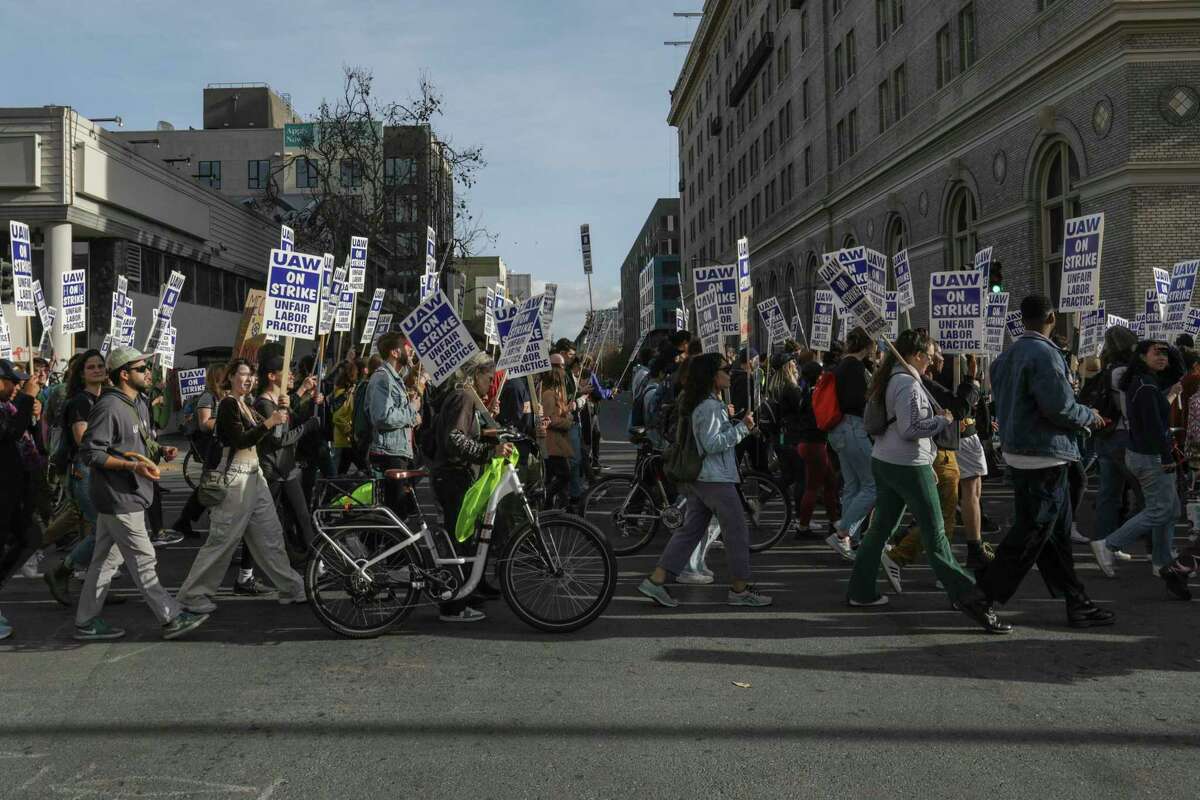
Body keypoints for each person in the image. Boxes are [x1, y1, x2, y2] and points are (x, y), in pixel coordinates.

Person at [844, 330, 1007, 632]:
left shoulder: (890, 376)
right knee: (936, 536)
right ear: (916, 355)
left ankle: (860, 591)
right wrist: (943, 420)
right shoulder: (907, 383)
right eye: (929, 356)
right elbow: (911, 428)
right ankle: (970, 598)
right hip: (907, 464)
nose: (932, 362)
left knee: (880, 530)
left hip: (887, 461)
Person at [977, 295, 1114, 628]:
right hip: (1044, 455)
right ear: (1051, 317)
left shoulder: (1006, 356)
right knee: (1030, 535)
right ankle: (981, 597)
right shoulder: (1044, 354)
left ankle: (1076, 600)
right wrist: (1089, 415)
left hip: (1021, 452)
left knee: (1054, 535)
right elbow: (1059, 407)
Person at [72, 347, 208, 642]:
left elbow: (141, 440)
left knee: (105, 562)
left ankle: (86, 621)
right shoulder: (109, 406)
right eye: (142, 369)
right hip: (119, 496)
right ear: (124, 374)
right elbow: (91, 452)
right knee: (144, 558)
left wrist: (160, 450)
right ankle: (170, 616)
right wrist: (131, 466)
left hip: (127, 495)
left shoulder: (138, 402)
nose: (149, 373)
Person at [637, 353, 772, 608]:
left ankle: (656, 580)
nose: (729, 373)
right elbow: (711, 444)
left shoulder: (704, 402)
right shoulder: (709, 406)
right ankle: (740, 589)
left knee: (690, 532)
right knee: (737, 532)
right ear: (712, 375)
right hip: (715, 478)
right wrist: (742, 427)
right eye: (725, 368)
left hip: (702, 478)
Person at [175, 358, 305, 613]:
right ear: (231, 377)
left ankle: (291, 587)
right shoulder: (227, 405)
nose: (248, 380)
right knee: (223, 538)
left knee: (270, 534)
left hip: (255, 476)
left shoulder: (246, 405)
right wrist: (269, 423)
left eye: (251, 376)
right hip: (236, 478)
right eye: (243, 375)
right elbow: (241, 439)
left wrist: (288, 407)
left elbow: (271, 439)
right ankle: (193, 594)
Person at [430, 353, 515, 623]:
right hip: (452, 477)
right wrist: (488, 453)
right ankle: (453, 606)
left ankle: (464, 592)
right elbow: (455, 439)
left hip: (455, 475)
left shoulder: (466, 398)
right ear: (476, 374)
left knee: (464, 538)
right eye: (489, 376)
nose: (492, 382)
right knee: (460, 541)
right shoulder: (463, 397)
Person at [1091, 339, 1185, 577]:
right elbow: (1153, 427)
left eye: (1165, 354)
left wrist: (1167, 346)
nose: (1163, 357)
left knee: (1170, 508)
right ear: (1142, 357)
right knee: (1159, 509)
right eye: (1157, 353)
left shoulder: (1147, 381)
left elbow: (1178, 371)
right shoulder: (1144, 385)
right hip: (1149, 456)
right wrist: (1166, 456)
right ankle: (1108, 544)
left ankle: (1161, 560)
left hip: (1145, 453)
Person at [42, 351, 111, 605]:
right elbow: (84, 439)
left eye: (100, 366)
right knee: (103, 529)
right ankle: (62, 570)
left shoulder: (104, 397)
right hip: (85, 471)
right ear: (81, 374)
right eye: (90, 367)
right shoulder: (81, 401)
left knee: (101, 529)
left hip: (101, 469)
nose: (96, 370)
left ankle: (98, 585)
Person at [254, 355, 323, 568]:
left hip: (288, 468)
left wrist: (311, 401)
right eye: (286, 370)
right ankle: (247, 572)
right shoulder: (263, 405)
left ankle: (315, 563)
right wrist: (308, 427)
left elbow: (294, 421)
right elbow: (280, 439)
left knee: (303, 516)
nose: (292, 374)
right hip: (272, 471)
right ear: (272, 376)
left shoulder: (281, 401)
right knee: (266, 523)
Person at [1081, 325, 1140, 553]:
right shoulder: (1123, 372)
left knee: (1109, 494)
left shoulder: (1108, 370)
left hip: (1105, 437)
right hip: (1124, 437)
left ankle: (1104, 543)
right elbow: (1129, 411)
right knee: (1146, 495)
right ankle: (1127, 542)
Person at [825, 326, 877, 559]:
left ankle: (850, 541)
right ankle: (843, 532)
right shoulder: (855, 367)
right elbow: (857, 400)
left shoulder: (841, 366)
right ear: (867, 346)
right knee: (873, 485)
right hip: (854, 427)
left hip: (839, 430)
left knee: (853, 486)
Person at [0, 360, 42, 640]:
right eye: (11, 381)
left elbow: (28, 442)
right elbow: (9, 433)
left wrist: (33, 413)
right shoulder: (12, 409)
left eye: (19, 382)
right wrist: (27, 398)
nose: (16, 386)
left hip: (14, 493)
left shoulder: (12, 408)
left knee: (30, 537)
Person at [367, 332, 425, 512]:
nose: (411, 351)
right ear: (395, 352)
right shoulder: (382, 378)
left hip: (399, 452)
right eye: (407, 347)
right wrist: (412, 410)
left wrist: (413, 417)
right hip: (389, 454)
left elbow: (397, 414)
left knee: (404, 510)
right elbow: (383, 417)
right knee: (396, 512)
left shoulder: (395, 378)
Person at [172, 362, 226, 539]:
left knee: (207, 486)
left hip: (218, 446)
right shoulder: (207, 397)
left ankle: (184, 521)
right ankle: (187, 521)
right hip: (210, 447)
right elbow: (204, 425)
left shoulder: (221, 396)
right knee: (208, 486)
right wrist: (229, 421)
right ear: (217, 377)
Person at [793, 359, 839, 536]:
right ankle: (803, 527)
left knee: (830, 482)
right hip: (815, 444)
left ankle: (834, 521)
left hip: (809, 443)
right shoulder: (816, 394)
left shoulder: (805, 394)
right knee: (813, 487)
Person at [541, 357, 574, 508]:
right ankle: (547, 501)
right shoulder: (548, 394)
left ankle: (551, 507)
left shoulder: (554, 393)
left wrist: (568, 409)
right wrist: (568, 422)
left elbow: (556, 413)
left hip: (556, 444)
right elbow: (549, 418)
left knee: (554, 477)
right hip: (552, 444)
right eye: (561, 369)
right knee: (564, 475)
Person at [331, 361, 360, 473]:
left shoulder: (343, 392)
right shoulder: (344, 393)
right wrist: (349, 431)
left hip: (345, 440)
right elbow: (337, 417)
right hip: (343, 440)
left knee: (340, 472)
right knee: (337, 473)